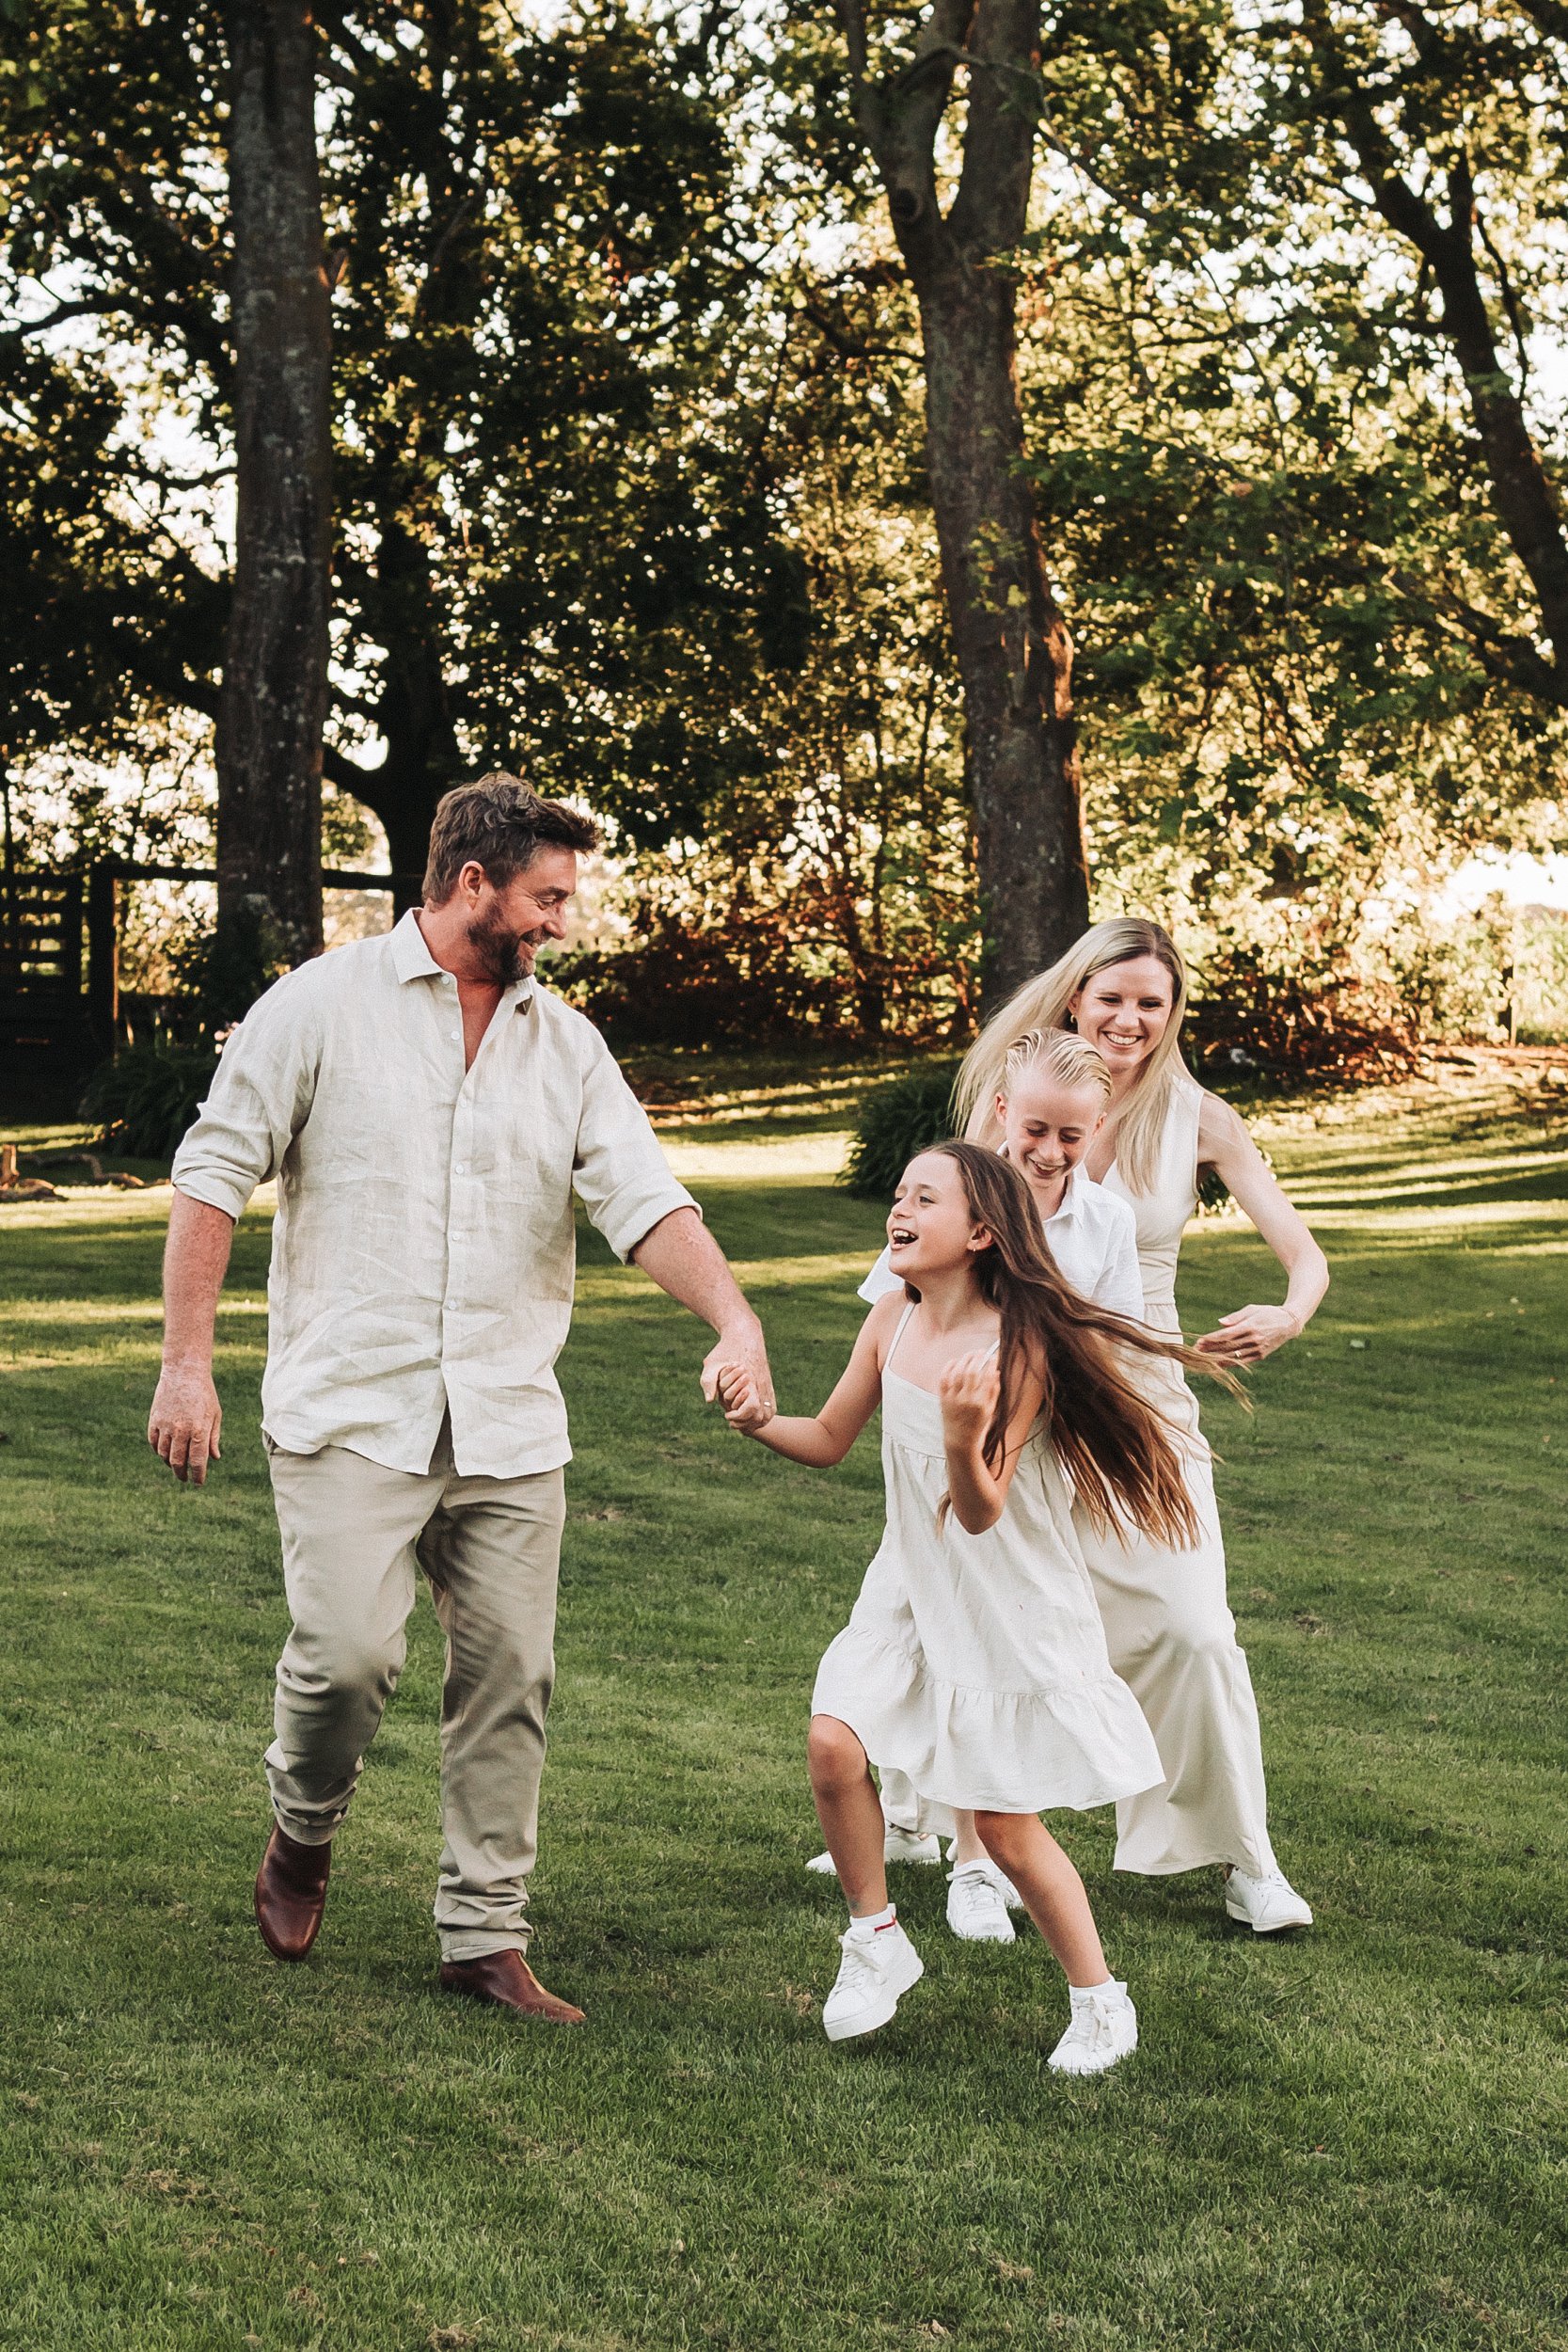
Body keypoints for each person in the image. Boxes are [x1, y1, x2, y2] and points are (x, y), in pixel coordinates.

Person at [149, 773, 774, 2024]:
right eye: (545, 895)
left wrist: (735, 1316)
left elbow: (641, 1199)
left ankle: (482, 1937)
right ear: (472, 884)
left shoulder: (567, 1045)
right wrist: (183, 1361)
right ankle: (302, 1822)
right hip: (349, 1408)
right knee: (343, 1661)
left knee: (510, 1680)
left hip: (505, 1419)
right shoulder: (317, 1008)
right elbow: (213, 1174)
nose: (561, 919)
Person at [720, 1141, 1233, 2075]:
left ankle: (1099, 2000)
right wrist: (757, 1418)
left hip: (1004, 1597)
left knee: (1000, 1825)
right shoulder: (887, 1319)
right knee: (833, 1743)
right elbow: (831, 1437)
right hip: (909, 1580)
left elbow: (979, 1506)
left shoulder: (1019, 1345)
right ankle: (874, 1936)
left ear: (981, 1231)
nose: (898, 1208)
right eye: (898, 1194)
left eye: (925, 1196)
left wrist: (961, 1435)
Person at [955, 917, 1329, 1933]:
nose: (1127, 1018)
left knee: (1196, 1629)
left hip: (1144, 1404)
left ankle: (1243, 1857)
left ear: (1171, 1015)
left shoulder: (1197, 1117)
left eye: (1149, 1002)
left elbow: (1302, 1252)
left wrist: (1286, 1313)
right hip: (1015, 1397)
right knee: (997, 1625)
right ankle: (977, 1855)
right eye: (1109, 996)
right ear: (1075, 996)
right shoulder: (1015, 1095)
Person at [811, 1025, 1146, 1944]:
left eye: (1070, 1138)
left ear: (1097, 1130)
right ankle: (958, 1856)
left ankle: (968, 1847)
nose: (1046, 1151)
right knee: (941, 1648)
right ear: (1002, 1109)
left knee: (992, 1660)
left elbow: (1112, 1345)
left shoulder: (1103, 1223)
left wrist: (1040, 1396)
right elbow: (903, 1300)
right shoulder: (952, 1189)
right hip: (947, 1459)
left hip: (1027, 1463)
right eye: (1033, 1127)